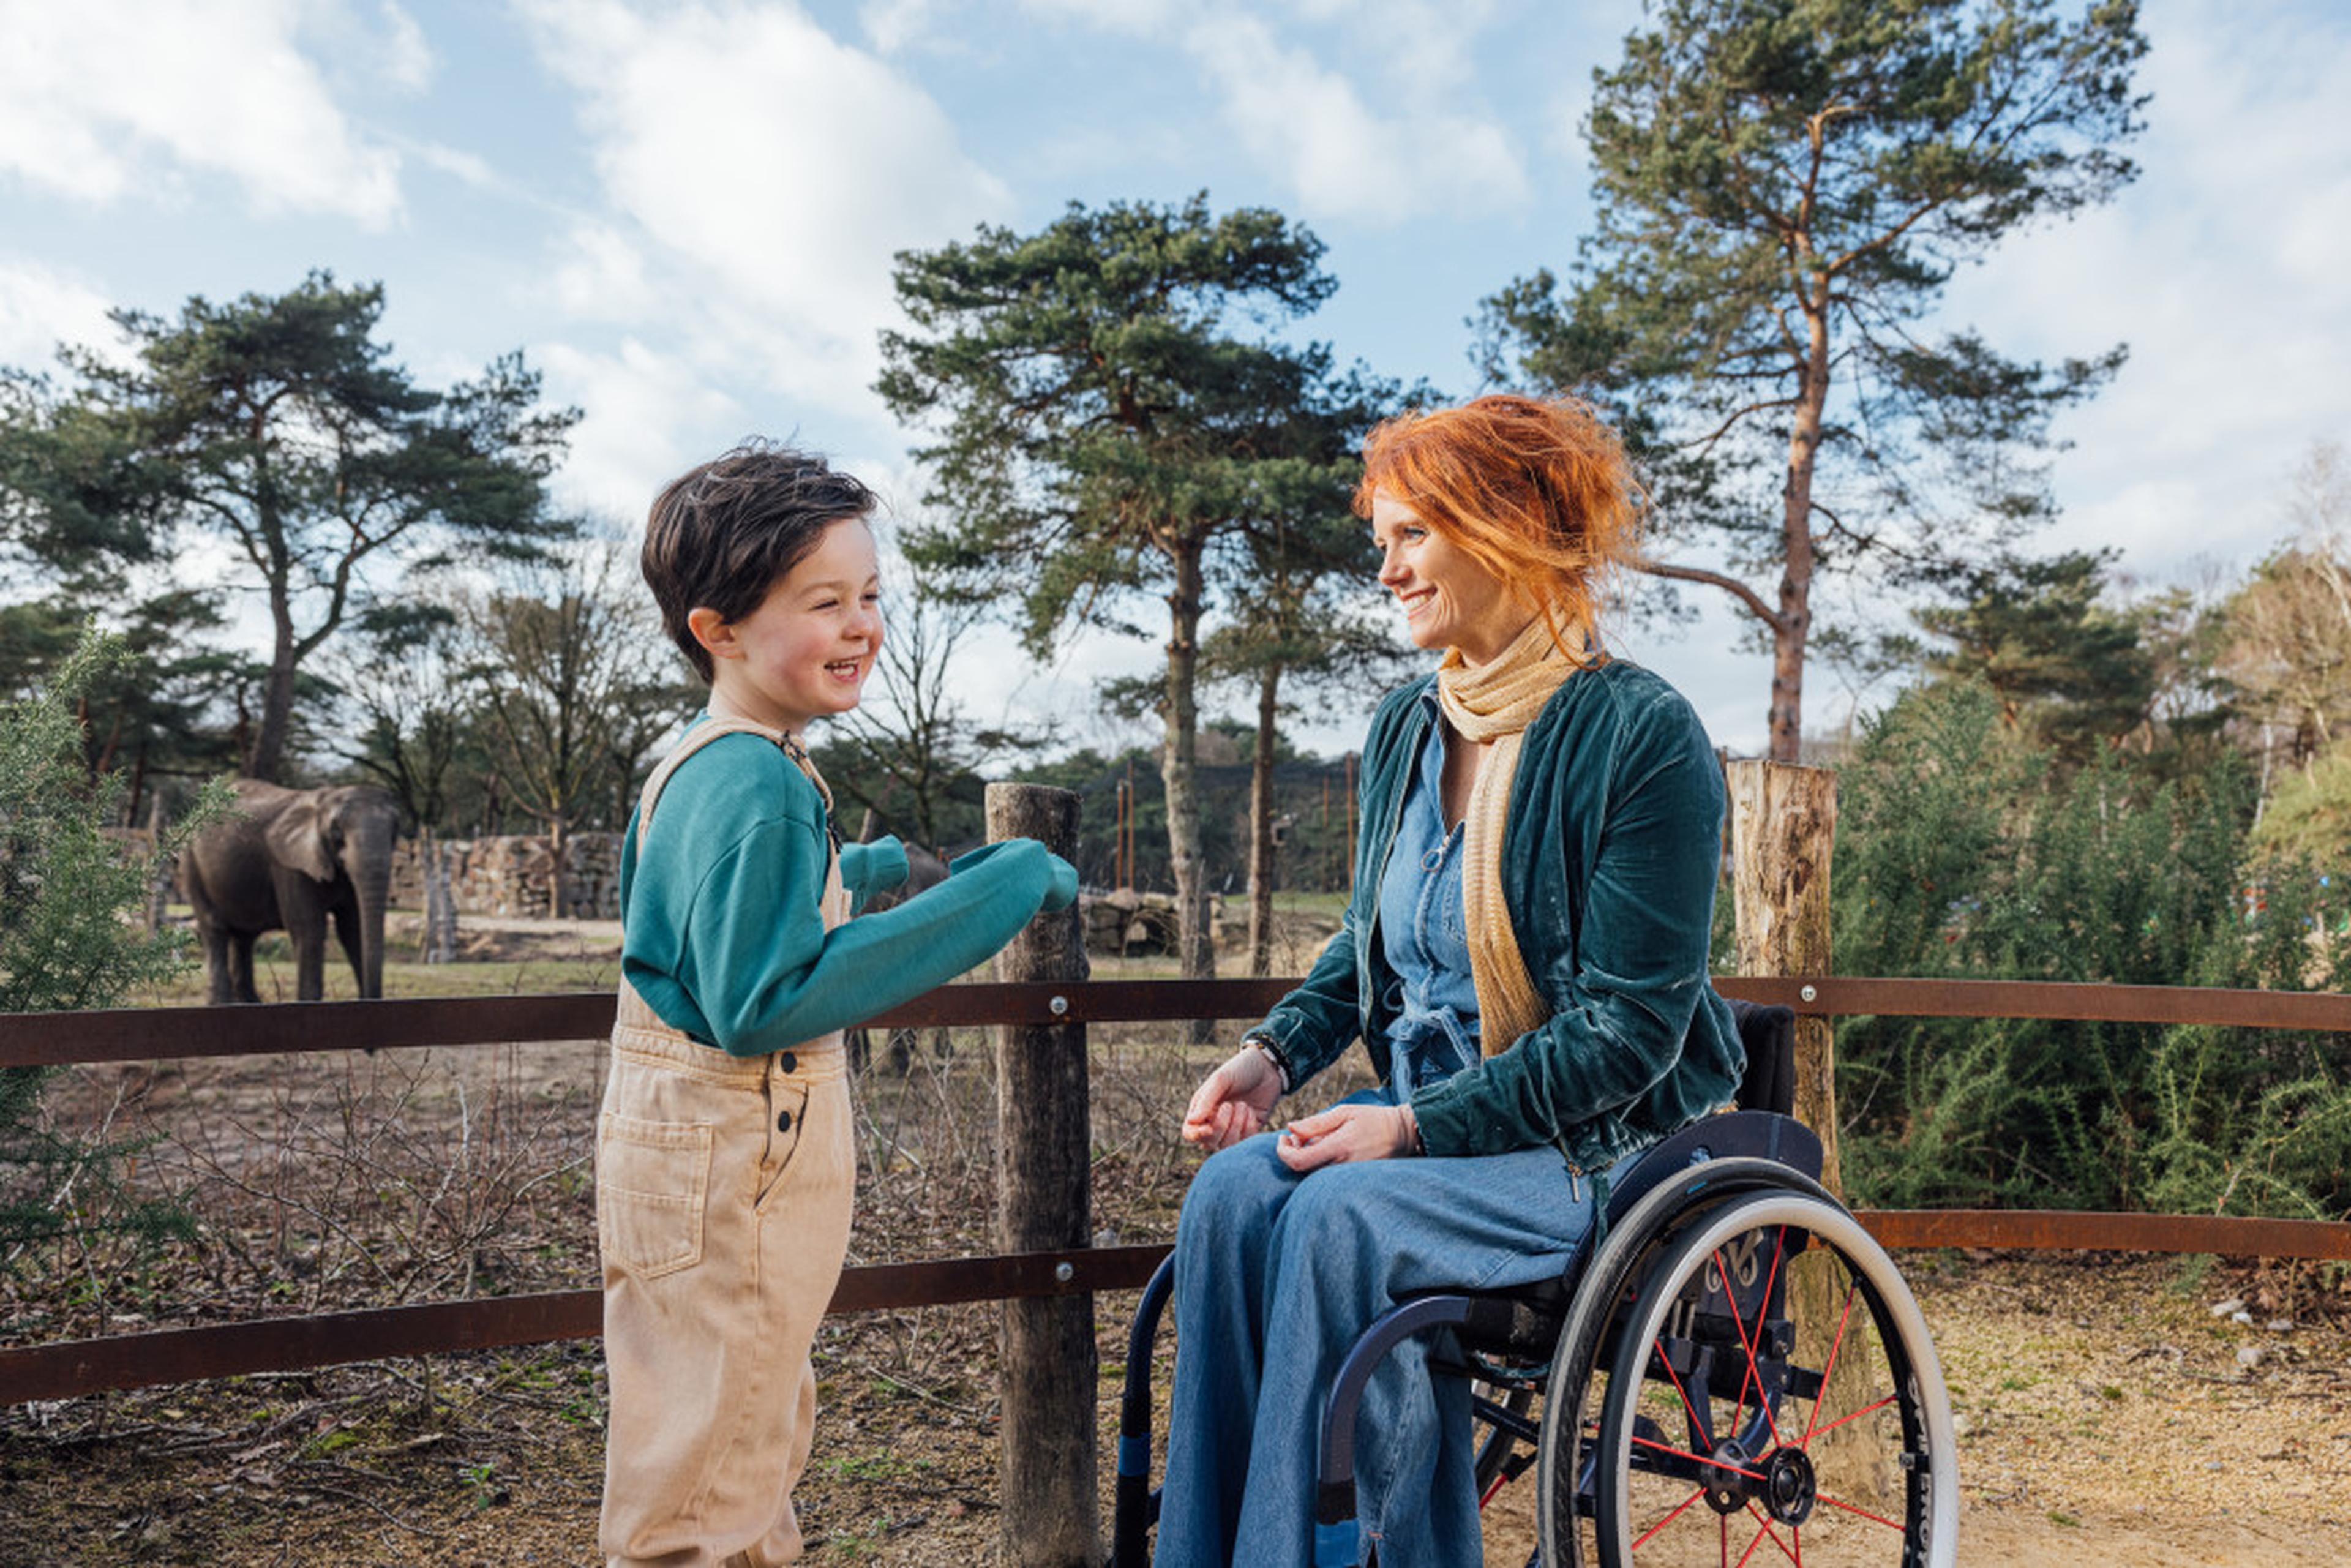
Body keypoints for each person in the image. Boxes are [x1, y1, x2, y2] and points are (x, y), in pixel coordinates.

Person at [1156, 395, 1744, 1567]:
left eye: (1410, 534)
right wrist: (1272, 1056)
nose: (1386, 570)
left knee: (1335, 1215)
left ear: (1509, 527)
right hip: (1425, 1128)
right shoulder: (1405, 728)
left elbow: (1627, 1032)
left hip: (1583, 1149)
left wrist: (1415, 1127)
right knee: (1229, 1194)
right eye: (1383, 540)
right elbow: (1372, 946)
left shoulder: (1642, 735)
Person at [599, 442, 1077, 1568]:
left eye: (870, 594)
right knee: (706, 1498)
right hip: (737, 1174)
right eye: (826, 601)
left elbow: (704, 917)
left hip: (688, 1172)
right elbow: (764, 999)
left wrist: (855, 870)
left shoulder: (716, 758)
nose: (863, 623)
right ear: (718, 627)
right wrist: (1005, 882)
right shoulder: (756, 780)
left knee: (735, 1442)